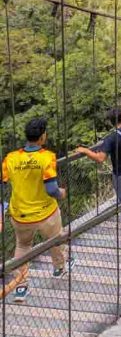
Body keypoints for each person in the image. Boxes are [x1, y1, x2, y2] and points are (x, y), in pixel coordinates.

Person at [1, 117, 72, 303]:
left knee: (23, 246)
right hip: (45, 213)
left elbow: (3, 184)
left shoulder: (11, 158)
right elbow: (51, 189)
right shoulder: (46, 157)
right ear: (42, 137)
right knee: (56, 238)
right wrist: (62, 193)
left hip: (20, 215)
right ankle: (59, 268)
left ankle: (21, 287)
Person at [76, 108, 121, 227]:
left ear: (110, 122)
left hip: (120, 173)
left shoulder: (110, 138)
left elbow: (100, 158)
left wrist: (86, 151)